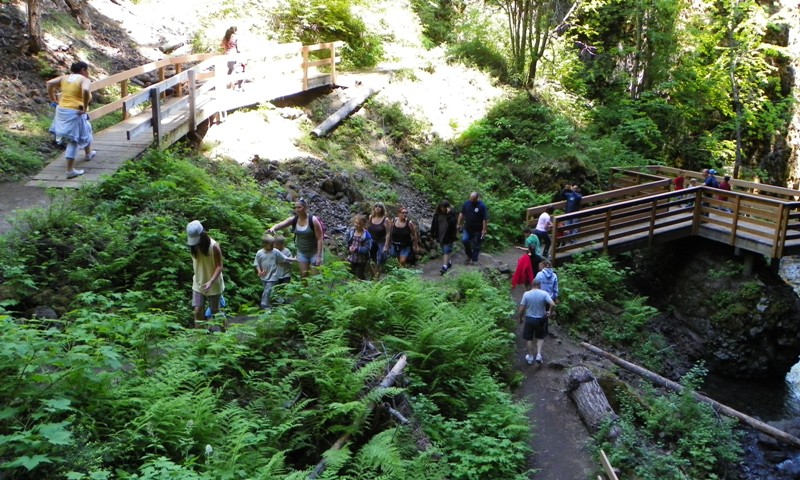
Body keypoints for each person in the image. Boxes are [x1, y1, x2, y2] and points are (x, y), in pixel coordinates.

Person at [47, 61, 97, 179]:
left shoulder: (65, 78)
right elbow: (85, 90)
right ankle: (70, 171)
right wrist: (84, 107)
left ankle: (88, 153)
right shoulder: (84, 80)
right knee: (73, 140)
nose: (88, 73)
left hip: (62, 111)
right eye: (87, 70)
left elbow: (49, 83)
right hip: (75, 112)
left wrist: (53, 99)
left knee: (87, 127)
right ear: (83, 70)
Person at [268, 198, 325, 277]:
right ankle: (305, 290)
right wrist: (273, 228)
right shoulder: (294, 220)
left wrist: (319, 257)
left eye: (299, 207)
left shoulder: (313, 220)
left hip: (315, 252)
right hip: (302, 253)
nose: (297, 210)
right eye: (295, 207)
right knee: (304, 276)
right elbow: (281, 224)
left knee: (316, 277)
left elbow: (320, 239)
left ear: (305, 208)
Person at [186, 220, 225, 329]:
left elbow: (219, 266)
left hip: (214, 283)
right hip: (198, 284)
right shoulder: (192, 247)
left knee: (215, 311)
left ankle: (225, 333)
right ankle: (201, 338)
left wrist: (211, 282)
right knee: (198, 311)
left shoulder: (214, 246)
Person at [518, 278, 556, 365]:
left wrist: (520, 318)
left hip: (530, 318)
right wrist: (549, 312)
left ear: (532, 284)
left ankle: (530, 357)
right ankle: (539, 355)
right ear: (539, 285)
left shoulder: (526, 294)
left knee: (529, 338)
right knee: (540, 337)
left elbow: (521, 308)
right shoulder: (544, 294)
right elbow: (553, 304)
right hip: (541, 319)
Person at [254, 234, 296, 310]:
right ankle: (277, 301)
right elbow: (257, 263)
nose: (273, 246)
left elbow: (285, 258)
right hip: (264, 276)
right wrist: (259, 271)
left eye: (273, 245)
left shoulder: (275, 251)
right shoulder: (259, 253)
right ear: (265, 245)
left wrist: (295, 259)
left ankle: (265, 306)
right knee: (267, 290)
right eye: (271, 245)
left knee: (268, 290)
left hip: (273, 276)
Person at [457, 192, 489, 265]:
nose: (471, 201)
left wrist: (484, 229)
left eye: (473, 199)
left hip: (478, 229)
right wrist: (458, 224)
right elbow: (461, 213)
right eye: (470, 199)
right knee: (464, 240)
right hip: (467, 228)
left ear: (477, 198)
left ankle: (474, 259)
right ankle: (469, 255)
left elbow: (485, 219)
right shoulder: (466, 203)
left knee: (476, 244)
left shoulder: (482, 206)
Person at [430, 200, 458, 275]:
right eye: (441, 207)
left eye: (444, 207)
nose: (442, 209)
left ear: (447, 207)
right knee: (444, 250)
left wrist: (449, 214)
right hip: (440, 234)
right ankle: (448, 261)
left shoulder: (452, 214)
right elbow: (434, 224)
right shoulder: (437, 214)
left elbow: (453, 224)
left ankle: (444, 267)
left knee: (446, 250)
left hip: (448, 235)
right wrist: (432, 233)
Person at [367, 203, 391, 279]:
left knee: (380, 259)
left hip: (381, 241)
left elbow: (388, 233)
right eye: (376, 206)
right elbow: (367, 229)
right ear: (374, 208)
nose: (377, 208)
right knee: (369, 258)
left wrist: (386, 245)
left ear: (382, 209)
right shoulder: (371, 217)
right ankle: (373, 274)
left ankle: (376, 277)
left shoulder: (385, 219)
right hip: (371, 240)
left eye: (380, 207)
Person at [346, 214, 373, 280]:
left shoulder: (366, 235)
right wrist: (349, 247)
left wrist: (357, 249)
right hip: (351, 258)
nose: (356, 225)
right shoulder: (351, 232)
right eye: (355, 222)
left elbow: (367, 248)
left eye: (359, 223)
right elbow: (347, 241)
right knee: (350, 274)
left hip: (362, 260)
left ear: (363, 224)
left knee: (360, 275)